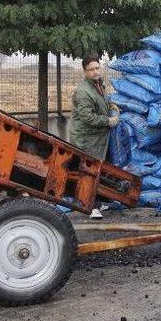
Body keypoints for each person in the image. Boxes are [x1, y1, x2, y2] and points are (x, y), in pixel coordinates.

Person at [69, 55, 120, 219]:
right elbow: (87, 117)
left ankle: (99, 201)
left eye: (97, 68)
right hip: (87, 138)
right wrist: (108, 121)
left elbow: (100, 103)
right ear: (85, 71)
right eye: (91, 69)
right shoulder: (84, 91)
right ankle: (90, 207)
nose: (95, 72)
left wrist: (109, 104)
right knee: (90, 172)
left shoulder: (98, 85)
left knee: (101, 169)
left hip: (98, 137)